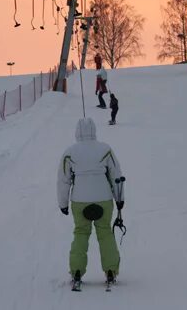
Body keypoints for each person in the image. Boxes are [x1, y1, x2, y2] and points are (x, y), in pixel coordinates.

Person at [57, 118, 125, 287]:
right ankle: (110, 270)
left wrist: (63, 203)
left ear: (77, 131)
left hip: (80, 201)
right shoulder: (105, 149)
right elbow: (116, 175)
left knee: (81, 233)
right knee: (105, 233)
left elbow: (63, 180)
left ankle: (77, 271)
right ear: (94, 130)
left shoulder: (69, 153)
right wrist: (120, 199)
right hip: (104, 199)